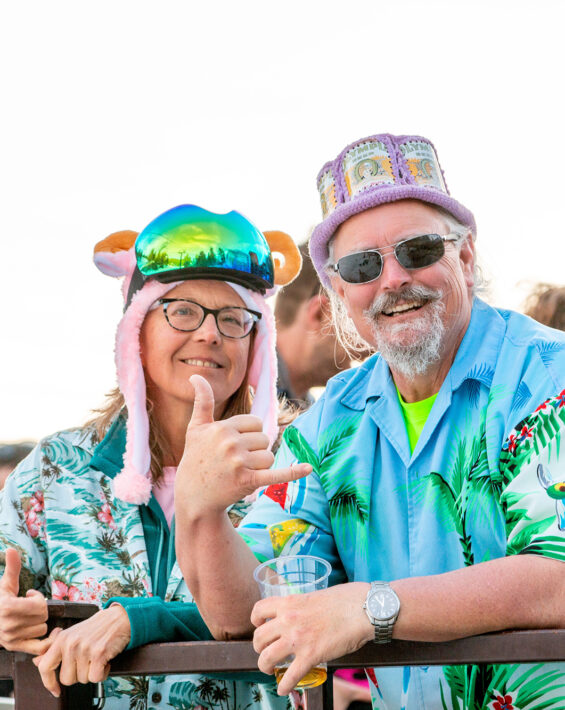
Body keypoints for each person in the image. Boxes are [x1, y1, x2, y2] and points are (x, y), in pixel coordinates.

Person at [174, 134, 565, 710]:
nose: (392, 280)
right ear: (336, 290)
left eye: (418, 250)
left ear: (465, 256)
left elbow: (557, 577)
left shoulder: (546, 374)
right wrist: (199, 509)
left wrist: (370, 606)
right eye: (361, 265)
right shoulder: (329, 421)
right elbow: (243, 615)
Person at [0, 204, 308, 708]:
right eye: (182, 310)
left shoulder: (296, 464)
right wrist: (6, 614)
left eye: (234, 318)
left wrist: (139, 620)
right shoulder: (54, 470)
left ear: (258, 343)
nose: (209, 333)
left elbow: (297, 606)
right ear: (136, 330)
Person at [275, 241, 360, 408]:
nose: (371, 347)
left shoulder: (307, 411)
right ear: (319, 314)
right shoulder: (241, 394)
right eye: (355, 315)